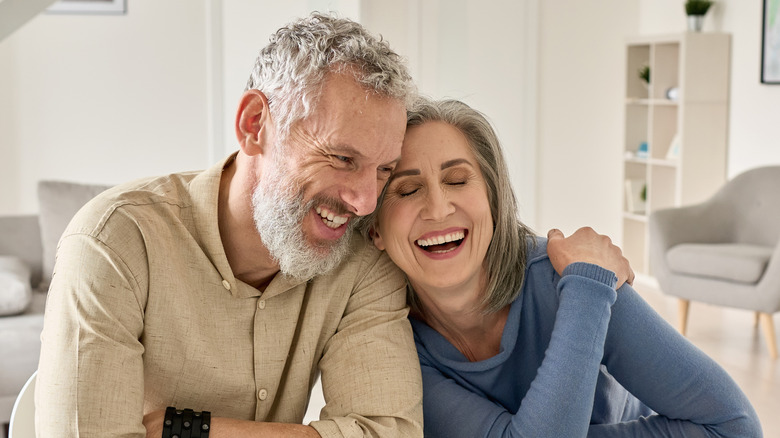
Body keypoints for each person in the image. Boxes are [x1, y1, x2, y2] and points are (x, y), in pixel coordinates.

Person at [36, 13, 424, 438]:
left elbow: (390, 432)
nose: (366, 201)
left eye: (384, 169)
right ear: (254, 125)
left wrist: (188, 431)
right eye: (342, 159)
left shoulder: (364, 264)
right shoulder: (115, 240)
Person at [366, 98, 763, 437]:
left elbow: (735, 425)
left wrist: (589, 291)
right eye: (408, 189)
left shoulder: (578, 276)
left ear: (494, 200)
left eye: (457, 180)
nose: (438, 208)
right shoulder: (391, 343)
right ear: (374, 230)